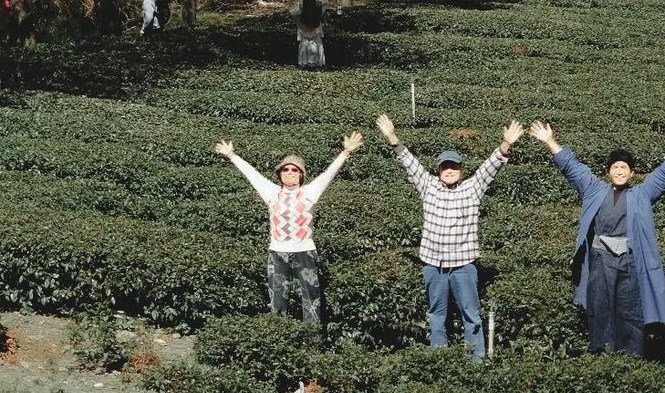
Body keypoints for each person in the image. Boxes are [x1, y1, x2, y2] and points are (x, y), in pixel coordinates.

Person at [529, 120, 665, 357]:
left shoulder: (642, 194)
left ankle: (631, 355)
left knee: (629, 309)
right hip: (600, 260)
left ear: (632, 174)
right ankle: (601, 352)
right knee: (600, 307)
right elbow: (572, 168)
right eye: (615, 167)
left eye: (625, 168)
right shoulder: (594, 189)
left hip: (628, 262)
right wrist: (550, 141)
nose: (620, 171)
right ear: (608, 171)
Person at [376, 112, 524, 359]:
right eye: (445, 167)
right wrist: (393, 138)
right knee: (436, 314)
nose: (450, 171)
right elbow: (408, 162)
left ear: (460, 170)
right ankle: (439, 359)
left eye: (454, 167)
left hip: (463, 265)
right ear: (438, 170)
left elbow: (490, 167)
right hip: (434, 265)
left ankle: (475, 361)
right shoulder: (427, 185)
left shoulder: (472, 188)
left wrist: (506, 145)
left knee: (471, 315)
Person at [213, 131, 362, 325]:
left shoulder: (310, 192)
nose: (290, 173)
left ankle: (312, 339)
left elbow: (328, 174)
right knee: (277, 300)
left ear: (301, 175)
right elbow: (252, 175)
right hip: (277, 253)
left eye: (294, 170)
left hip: (305, 252)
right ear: (279, 175)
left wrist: (345, 153)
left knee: (311, 300)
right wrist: (232, 156)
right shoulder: (271, 192)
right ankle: (279, 335)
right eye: (286, 170)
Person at [296, 0, 325, 70]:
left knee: (306, 46)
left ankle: (306, 63)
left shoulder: (300, 12)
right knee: (314, 45)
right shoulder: (318, 10)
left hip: (305, 33)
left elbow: (293, 12)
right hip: (315, 32)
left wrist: (300, 5)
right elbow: (325, 3)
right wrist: (319, 3)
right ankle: (316, 63)